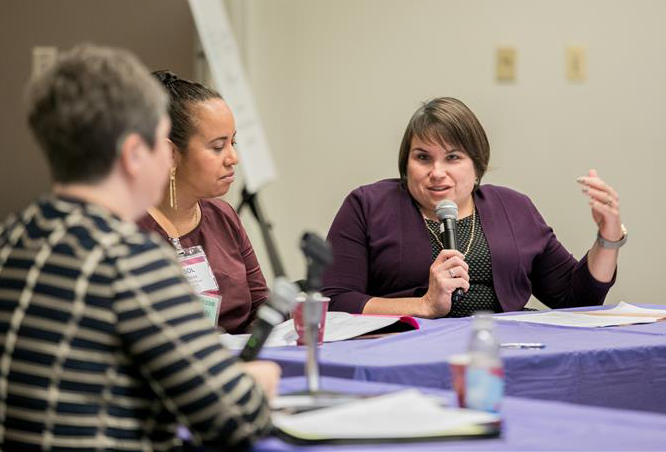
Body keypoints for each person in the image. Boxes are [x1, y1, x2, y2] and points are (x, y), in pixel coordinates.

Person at [0, 44, 279, 451]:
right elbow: (233, 419)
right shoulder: (130, 258)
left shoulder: (12, 237)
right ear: (135, 154)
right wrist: (259, 380)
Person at [322, 97, 625, 318]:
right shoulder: (367, 205)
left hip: (503, 348)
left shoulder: (513, 207)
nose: (437, 171)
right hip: (406, 349)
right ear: (406, 163)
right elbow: (333, 301)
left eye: (453, 157)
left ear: (477, 165)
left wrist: (607, 238)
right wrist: (424, 306)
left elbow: (577, 299)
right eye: (423, 157)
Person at [137, 71, 267, 334]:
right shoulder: (129, 231)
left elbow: (260, 306)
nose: (233, 157)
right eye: (218, 147)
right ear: (170, 153)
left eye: (233, 142)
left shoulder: (223, 216)